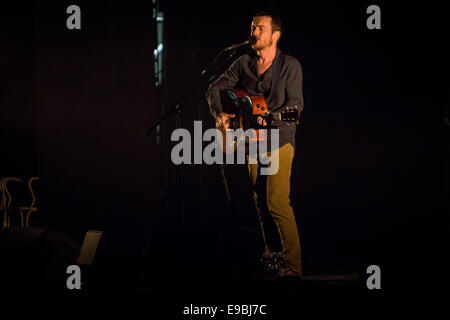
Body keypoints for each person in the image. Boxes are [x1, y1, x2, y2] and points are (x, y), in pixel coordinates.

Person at [206, 11, 304, 279]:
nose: (254, 32)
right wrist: (220, 115)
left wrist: (270, 118)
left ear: (275, 35)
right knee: (260, 202)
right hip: (252, 141)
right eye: (252, 27)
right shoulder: (243, 63)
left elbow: (295, 107)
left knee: (276, 201)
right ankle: (272, 261)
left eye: (260, 28)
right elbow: (214, 87)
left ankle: (294, 266)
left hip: (279, 139)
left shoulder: (290, 66)